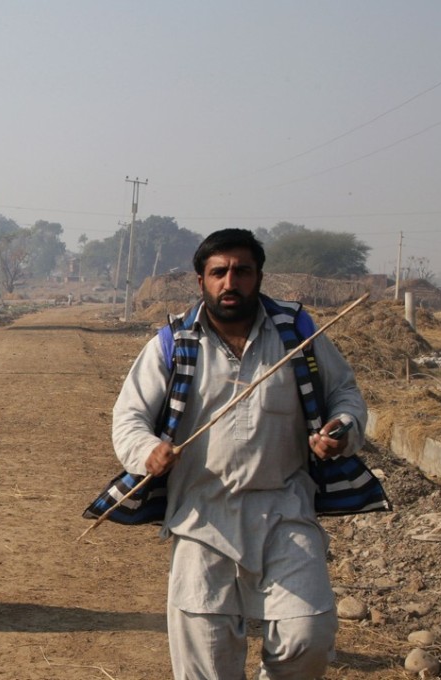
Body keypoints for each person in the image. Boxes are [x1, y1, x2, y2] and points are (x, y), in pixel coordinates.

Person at [111, 229, 369, 679]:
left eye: (242, 271)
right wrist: (149, 451)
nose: (230, 282)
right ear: (201, 281)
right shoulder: (173, 343)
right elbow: (128, 417)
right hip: (200, 516)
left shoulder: (298, 334)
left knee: (308, 637)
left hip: (285, 509)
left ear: (259, 277)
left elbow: (345, 394)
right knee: (207, 664)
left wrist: (341, 431)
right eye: (219, 272)